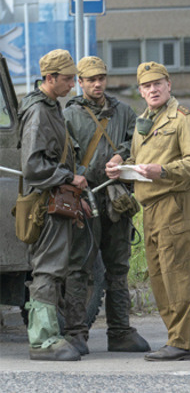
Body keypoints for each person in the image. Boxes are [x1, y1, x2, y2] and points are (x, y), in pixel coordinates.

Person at [106, 62, 190, 361]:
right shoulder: (143, 121)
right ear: (140, 91)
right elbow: (139, 156)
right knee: (159, 277)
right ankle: (176, 338)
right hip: (149, 208)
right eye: (147, 86)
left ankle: (184, 342)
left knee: (177, 275)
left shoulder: (183, 119)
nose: (153, 90)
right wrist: (120, 163)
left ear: (169, 85)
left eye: (158, 83)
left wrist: (162, 171)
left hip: (174, 204)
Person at [63, 56, 150, 355]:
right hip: (84, 200)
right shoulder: (69, 114)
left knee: (118, 267)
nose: (97, 83)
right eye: (91, 79)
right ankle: (76, 333)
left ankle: (120, 331)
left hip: (116, 198)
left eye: (101, 77)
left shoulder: (124, 111)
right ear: (80, 82)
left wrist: (121, 157)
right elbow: (63, 153)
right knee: (79, 268)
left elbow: (137, 144)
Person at [19, 49, 87, 361]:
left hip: (54, 202)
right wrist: (69, 177)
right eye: (68, 79)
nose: (73, 84)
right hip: (46, 204)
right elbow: (33, 165)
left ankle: (49, 335)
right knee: (47, 270)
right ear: (50, 78)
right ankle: (43, 341)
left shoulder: (51, 107)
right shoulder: (39, 111)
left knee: (54, 268)